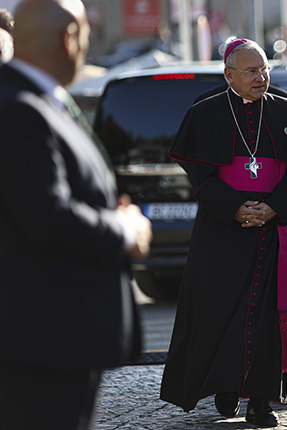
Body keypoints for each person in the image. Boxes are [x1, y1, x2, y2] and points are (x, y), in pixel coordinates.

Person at [0, 1, 152, 429]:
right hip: (41, 342)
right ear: (69, 39)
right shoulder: (20, 108)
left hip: (54, 337)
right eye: (86, 34)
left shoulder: (36, 100)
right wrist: (123, 229)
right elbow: (47, 216)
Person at [159, 38, 287, 428]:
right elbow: (200, 176)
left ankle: (261, 402)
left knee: (266, 319)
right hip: (222, 229)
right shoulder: (206, 112)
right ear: (229, 75)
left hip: (273, 228)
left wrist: (273, 207)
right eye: (251, 71)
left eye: (264, 69)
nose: (261, 77)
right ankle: (226, 385)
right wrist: (235, 208)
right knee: (221, 311)